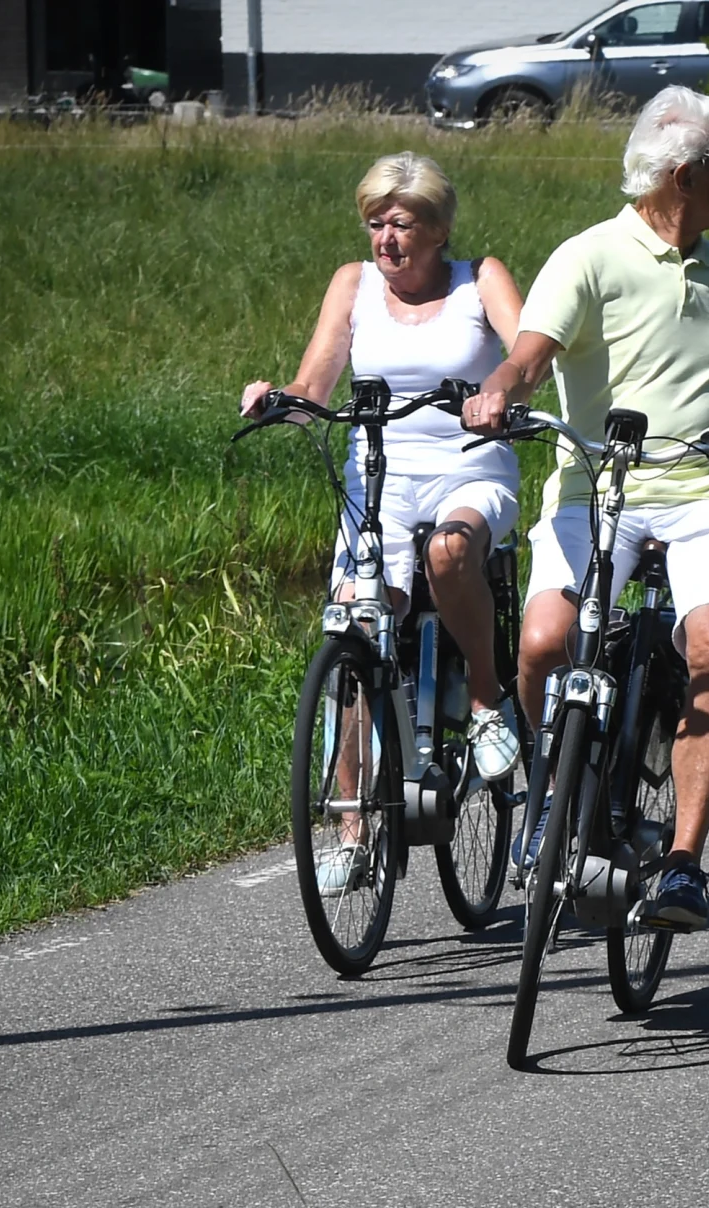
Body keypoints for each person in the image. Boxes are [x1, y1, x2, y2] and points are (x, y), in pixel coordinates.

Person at [462, 87, 709, 935]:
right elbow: (530, 357)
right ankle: (550, 791)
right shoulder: (588, 257)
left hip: (705, 494)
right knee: (542, 642)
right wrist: (497, 393)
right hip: (597, 491)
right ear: (683, 176)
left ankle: (682, 864)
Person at [245, 152, 528, 898]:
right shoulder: (353, 285)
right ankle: (350, 824)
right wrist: (281, 397)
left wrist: (501, 388)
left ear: (436, 229)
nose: (385, 240)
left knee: (449, 553)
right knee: (358, 629)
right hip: (379, 479)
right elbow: (317, 381)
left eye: (400, 224)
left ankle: (487, 702)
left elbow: (528, 353)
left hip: (471, 466)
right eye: (375, 224)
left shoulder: (480, 280)